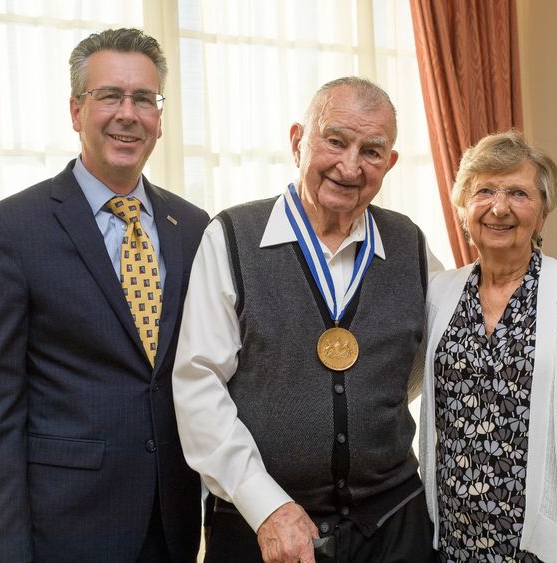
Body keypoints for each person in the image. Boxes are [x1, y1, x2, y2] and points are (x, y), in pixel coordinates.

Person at [0, 28, 209, 562]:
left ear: (158, 118)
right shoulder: (9, 231)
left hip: (173, 526)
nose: (128, 113)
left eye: (144, 98)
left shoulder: (192, 226)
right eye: (110, 96)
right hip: (65, 533)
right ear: (76, 111)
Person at [172, 77, 439, 563]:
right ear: (298, 141)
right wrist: (266, 506)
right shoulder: (230, 236)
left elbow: (459, 349)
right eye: (335, 141)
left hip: (395, 527)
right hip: (261, 531)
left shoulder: (411, 246)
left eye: (372, 151)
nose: (350, 165)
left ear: (391, 163)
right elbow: (198, 386)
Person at [416, 130, 557, 562]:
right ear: (463, 209)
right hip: (452, 542)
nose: (500, 207)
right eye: (484, 191)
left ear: (543, 214)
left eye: (518, 192)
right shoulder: (437, 293)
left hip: (545, 546)